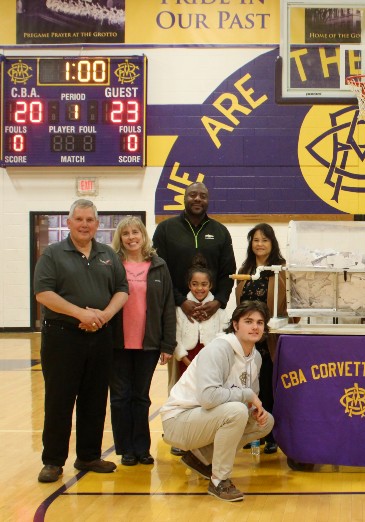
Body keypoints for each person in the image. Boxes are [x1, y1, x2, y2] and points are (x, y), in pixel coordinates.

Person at [33, 199, 129, 483]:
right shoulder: (53, 254)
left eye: (90, 220)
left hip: (100, 337)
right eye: (79, 219)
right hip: (62, 337)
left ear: (97, 225)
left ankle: (88, 455)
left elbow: (122, 289)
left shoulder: (108, 255)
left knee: (95, 399)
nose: (85, 224)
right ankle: (52, 461)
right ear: (69, 222)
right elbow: (43, 293)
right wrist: (79, 314)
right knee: (59, 400)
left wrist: (106, 315)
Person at [161, 301, 275, 502]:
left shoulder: (255, 357)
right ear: (236, 325)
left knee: (265, 421)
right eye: (248, 321)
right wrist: (247, 397)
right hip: (179, 420)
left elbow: (248, 397)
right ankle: (219, 481)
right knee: (236, 411)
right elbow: (208, 398)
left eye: (260, 322)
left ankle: (200, 458)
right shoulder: (219, 349)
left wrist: (254, 409)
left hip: (206, 418)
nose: (255, 327)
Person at [152, 181, 236, 454]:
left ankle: (208, 432)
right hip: (178, 313)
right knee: (179, 381)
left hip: (211, 314)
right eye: (192, 195)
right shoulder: (166, 230)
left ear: (208, 200)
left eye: (202, 195)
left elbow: (227, 273)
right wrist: (181, 302)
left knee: (213, 381)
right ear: (184, 198)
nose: (197, 199)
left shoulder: (219, 232)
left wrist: (219, 302)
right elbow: (160, 272)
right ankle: (178, 435)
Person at [109, 217, 177, 466]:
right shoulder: (112, 264)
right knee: (119, 398)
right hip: (117, 344)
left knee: (141, 397)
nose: (131, 237)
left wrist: (168, 344)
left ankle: (142, 448)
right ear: (120, 238)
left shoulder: (158, 265)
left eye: (135, 232)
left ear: (143, 235)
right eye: (125, 233)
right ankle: (126, 449)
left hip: (148, 344)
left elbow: (168, 306)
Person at [235, 223, 288, 454]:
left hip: (269, 339)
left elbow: (287, 304)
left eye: (264, 240)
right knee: (248, 385)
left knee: (268, 385)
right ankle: (253, 432)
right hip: (246, 340)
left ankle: (272, 433)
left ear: (272, 243)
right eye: (255, 240)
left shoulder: (280, 269)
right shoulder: (244, 268)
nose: (260, 244)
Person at [174, 257, 227, 377]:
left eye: (204, 284)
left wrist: (215, 360)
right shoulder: (179, 311)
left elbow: (223, 338)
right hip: (186, 359)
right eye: (194, 284)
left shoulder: (220, 312)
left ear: (210, 285)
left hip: (212, 360)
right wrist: (185, 359)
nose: (199, 288)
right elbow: (175, 338)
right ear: (189, 285)